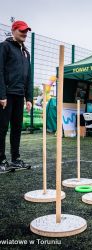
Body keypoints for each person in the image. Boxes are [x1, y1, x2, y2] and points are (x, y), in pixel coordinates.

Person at [0, 20, 33, 173]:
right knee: (2, 128)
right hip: (6, 96)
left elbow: (29, 78)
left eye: (26, 31)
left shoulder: (26, 53)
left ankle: (15, 159)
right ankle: (1, 160)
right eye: (21, 31)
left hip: (20, 95)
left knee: (17, 128)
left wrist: (29, 98)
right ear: (13, 31)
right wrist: (2, 94)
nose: (24, 33)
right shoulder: (5, 47)